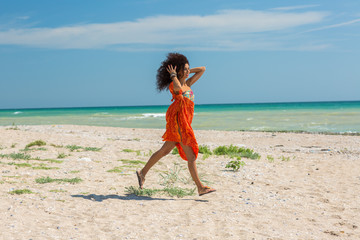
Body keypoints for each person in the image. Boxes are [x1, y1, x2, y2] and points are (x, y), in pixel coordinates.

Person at [136, 52, 216, 196]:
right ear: (177, 71)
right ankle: (200, 187)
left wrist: (185, 71)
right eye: (184, 69)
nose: (187, 71)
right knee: (191, 157)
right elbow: (178, 89)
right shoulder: (174, 85)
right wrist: (174, 75)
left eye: (188, 69)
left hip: (185, 122)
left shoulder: (188, 83)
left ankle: (142, 172)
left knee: (164, 151)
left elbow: (203, 69)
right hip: (179, 124)